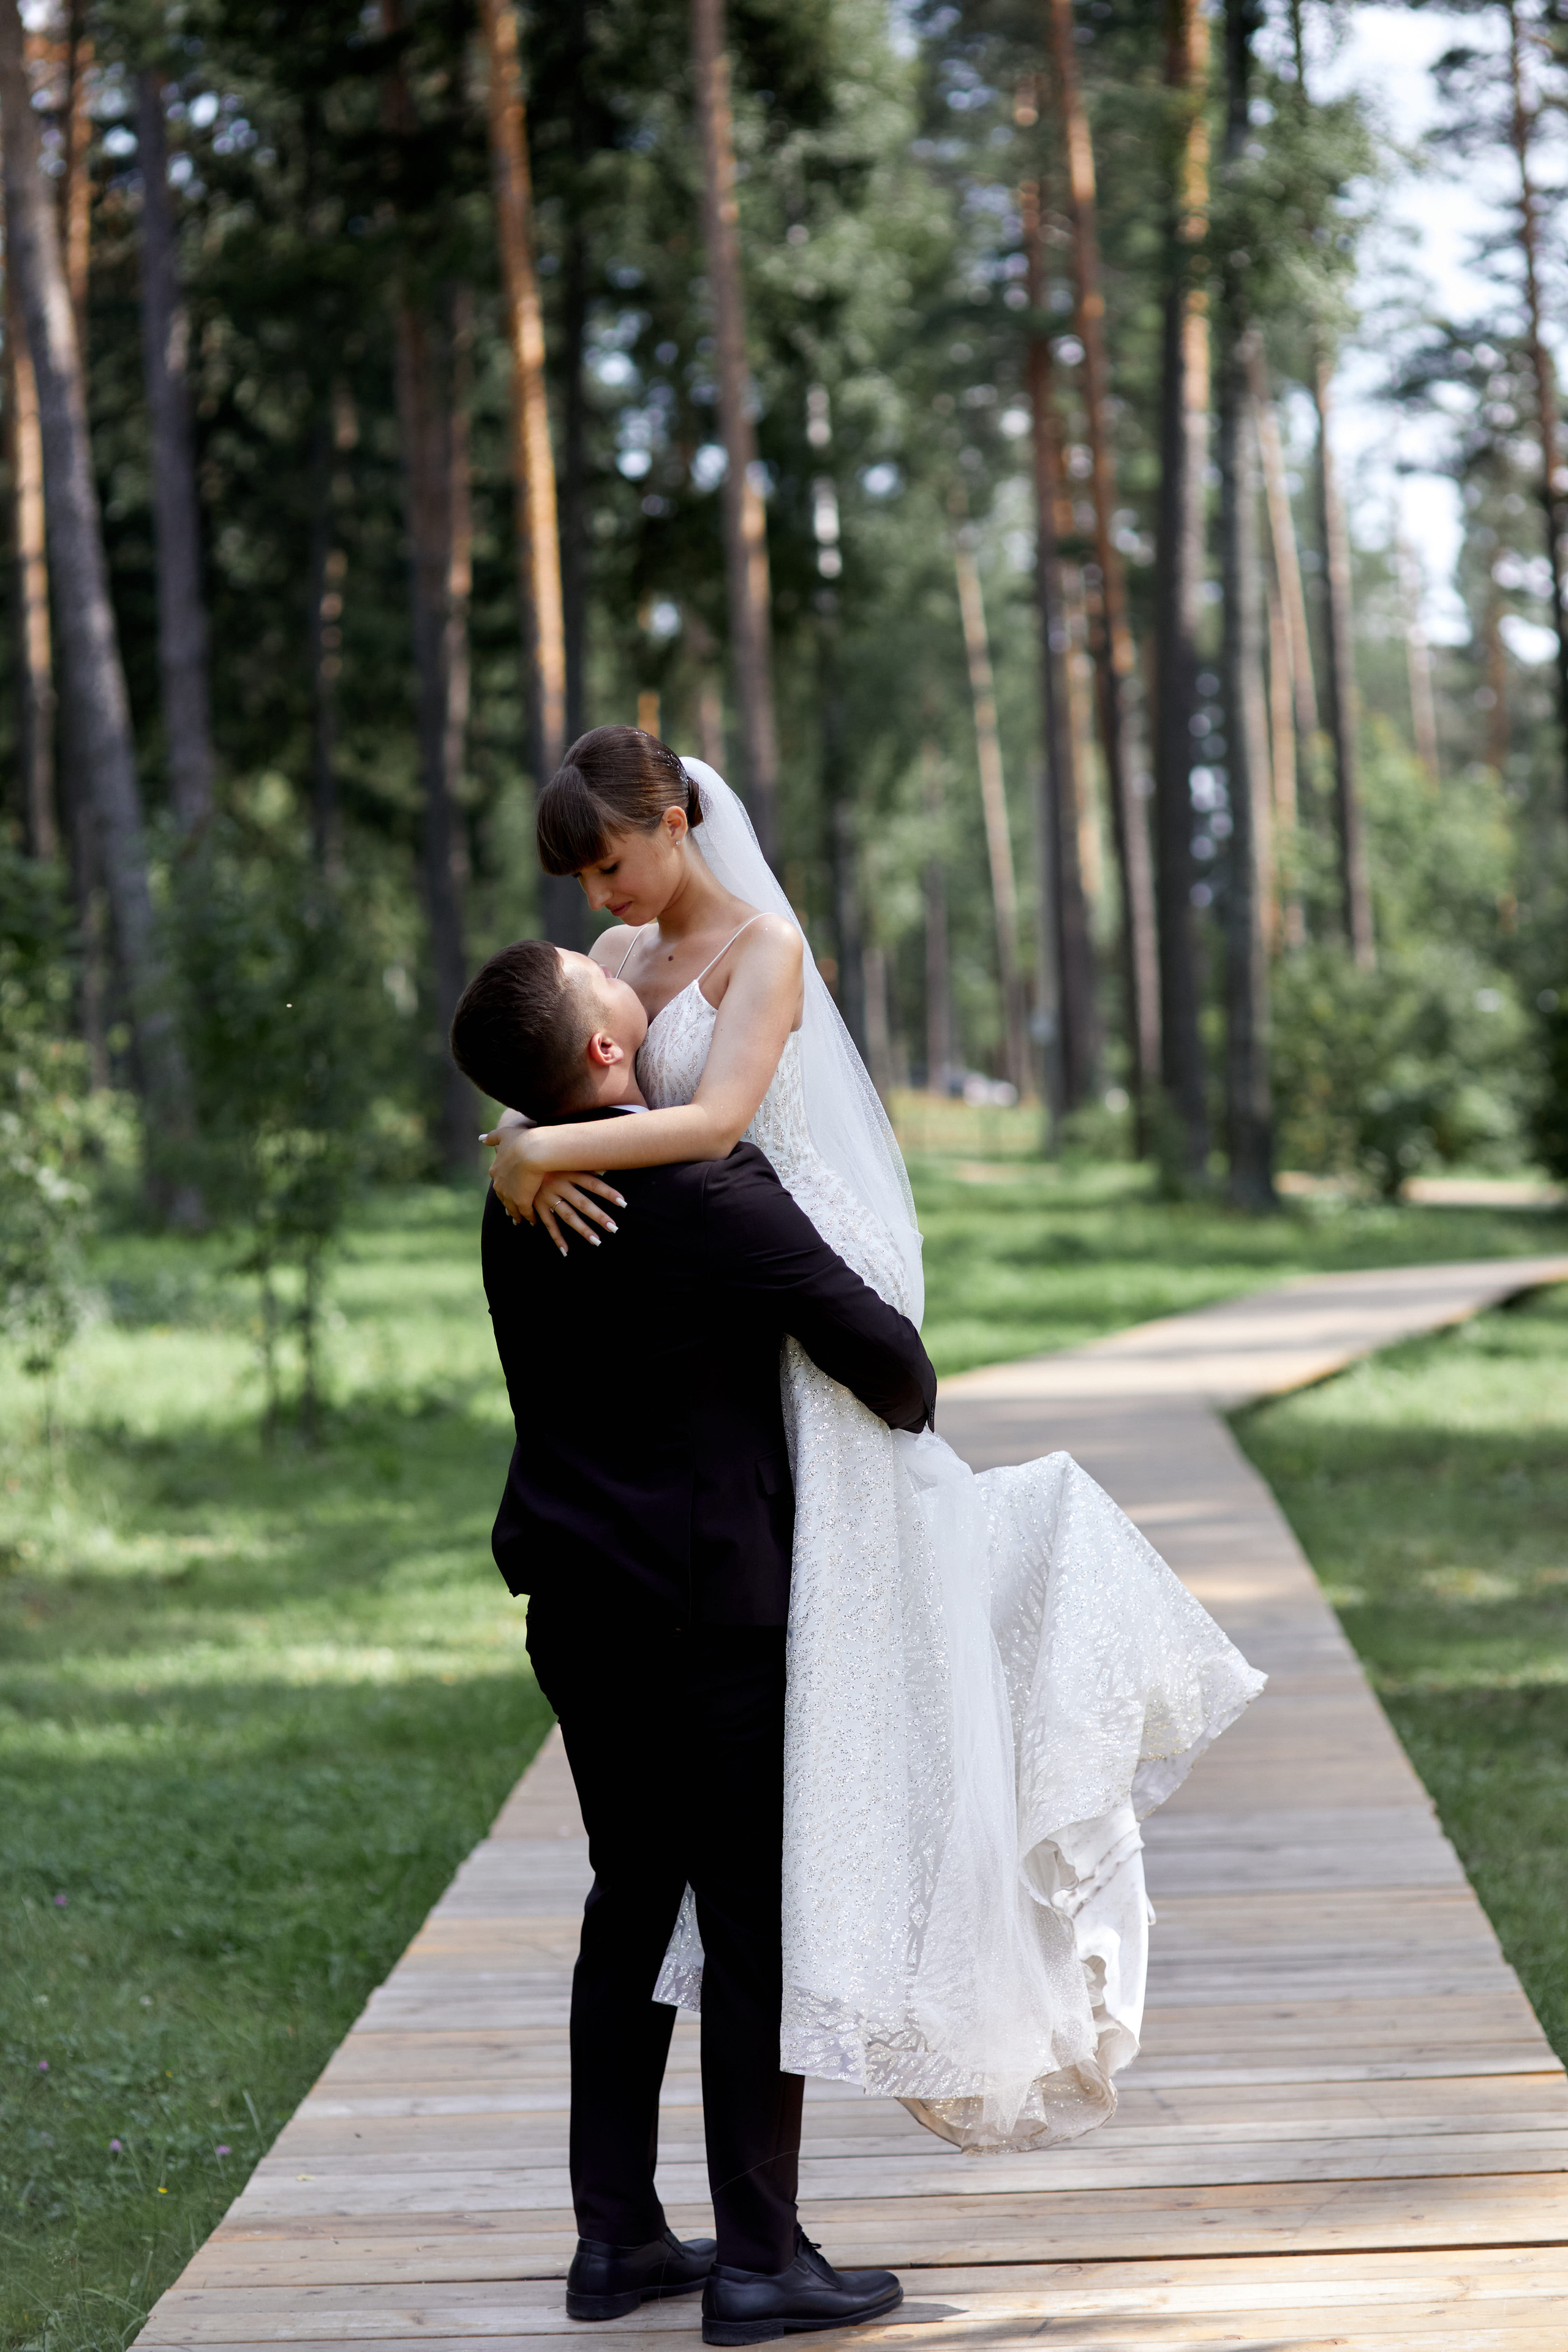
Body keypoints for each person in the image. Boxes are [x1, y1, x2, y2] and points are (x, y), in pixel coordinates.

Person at [486, 729, 1266, 2156]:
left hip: (761, 1303)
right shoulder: (616, 956)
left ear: (673, 817)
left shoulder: (762, 950)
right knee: (712, 1871)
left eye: (611, 857)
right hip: (711, 1360)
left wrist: (544, 1151)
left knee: (688, 1849)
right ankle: (747, 2243)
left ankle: (671, 2216)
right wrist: (516, 1135)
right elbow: (585, 1078)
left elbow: (714, 1118)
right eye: (590, 876)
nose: (603, 894)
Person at [453, 937, 932, 2343]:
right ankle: (758, 2261)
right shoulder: (704, 1191)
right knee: (743, 1927)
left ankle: (614, 2241)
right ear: (606, 1052)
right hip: (705, 1610)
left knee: (627, 1897)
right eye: (594, 976)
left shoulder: (523, 1190)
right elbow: (893, 1369)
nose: (621, 970)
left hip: (577, 1609)